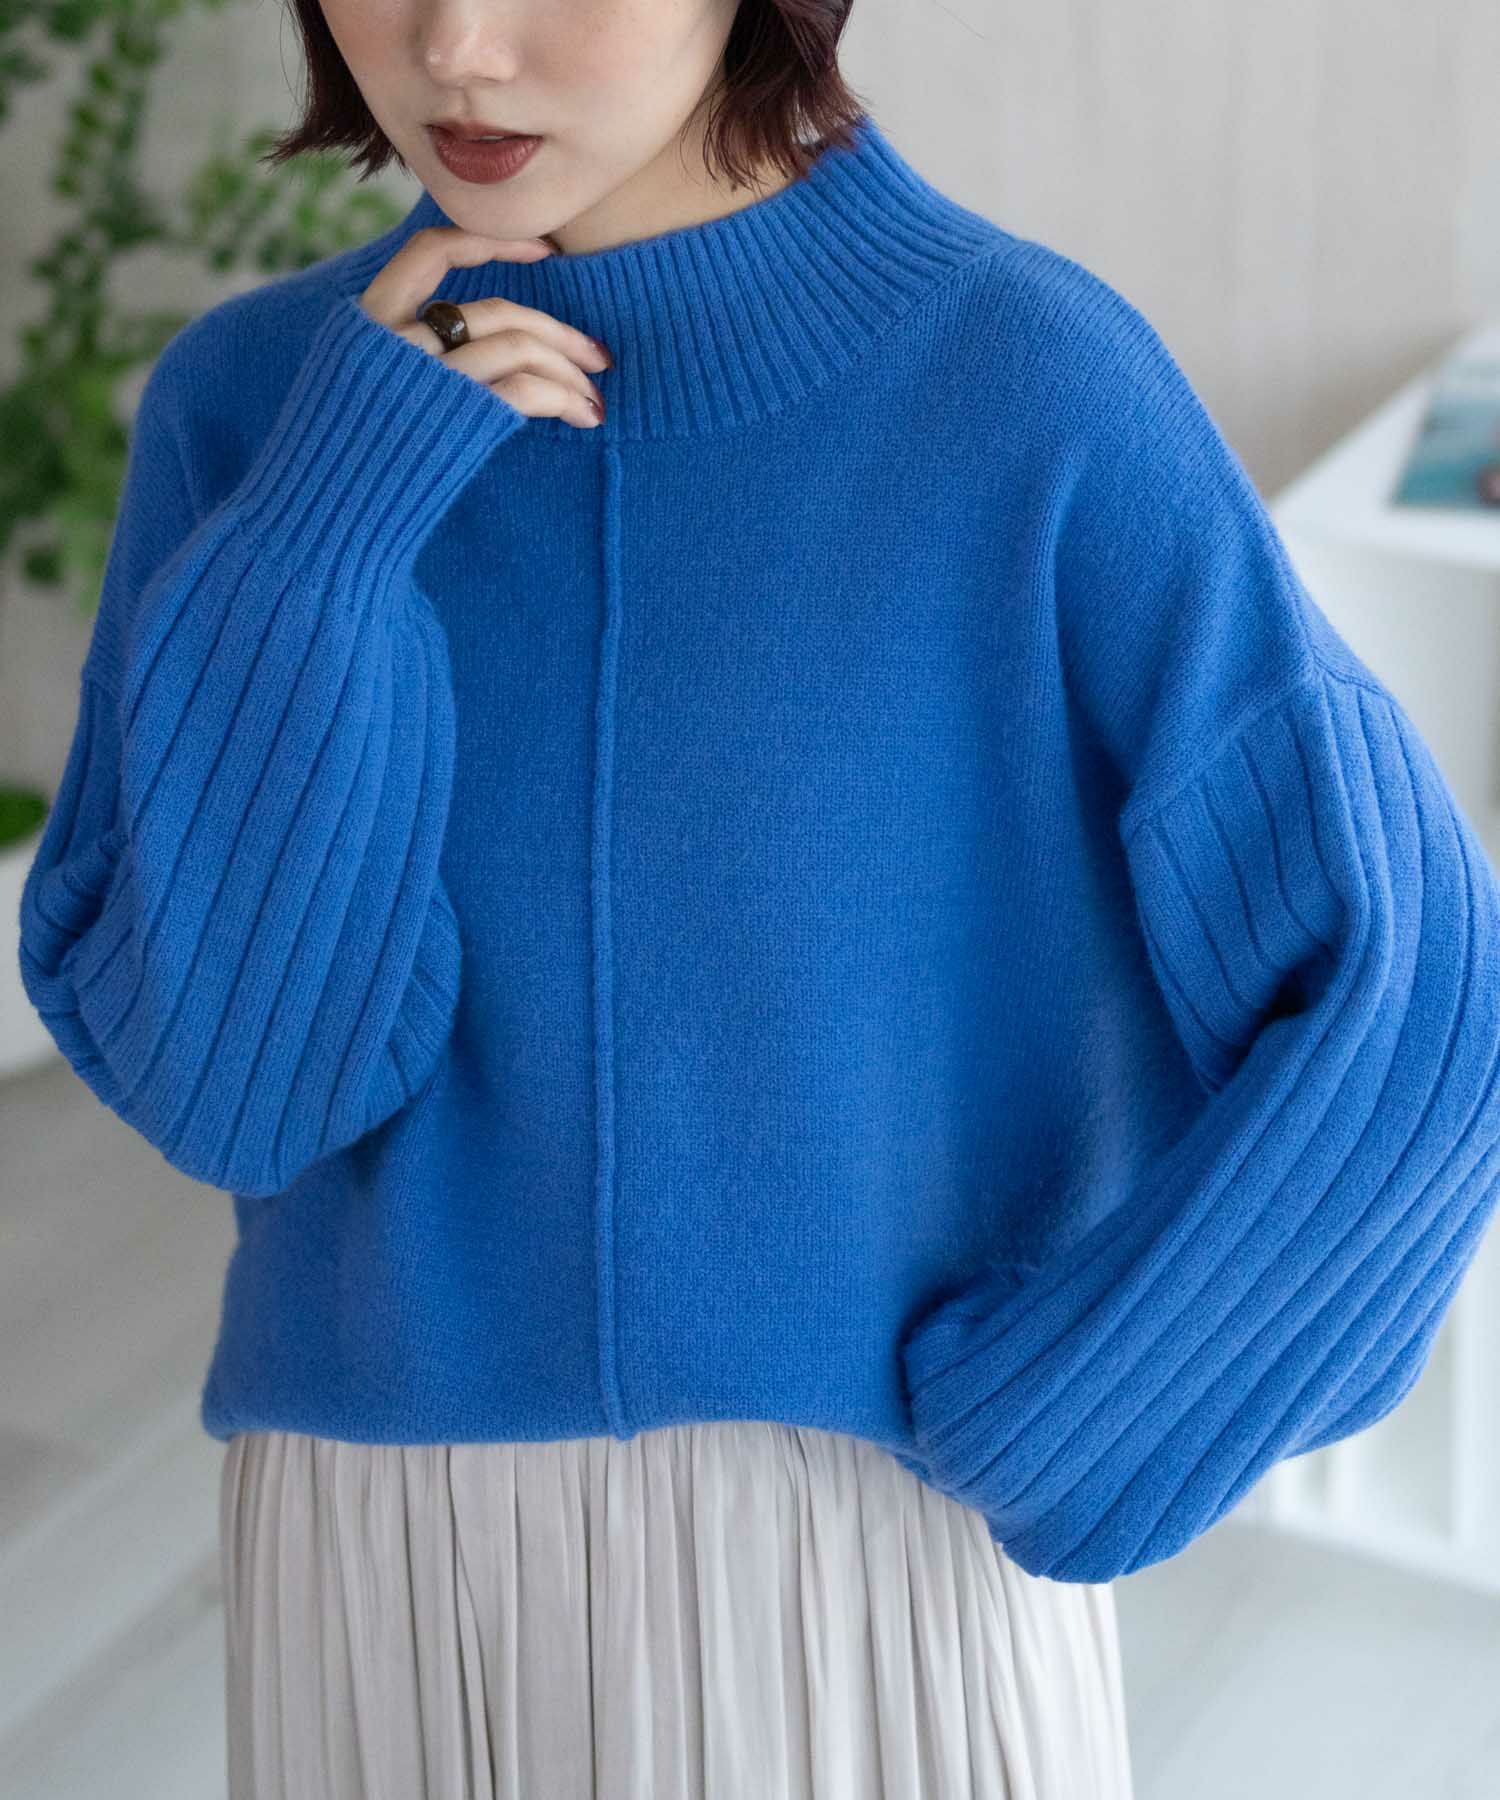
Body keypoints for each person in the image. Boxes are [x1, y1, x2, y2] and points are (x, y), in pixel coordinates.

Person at [19, 0, 1500, 1795]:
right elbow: (243, 1095)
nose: (455, 45)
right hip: (376, 1550)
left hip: (871, 1554)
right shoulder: (258, 407)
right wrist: (329, 537)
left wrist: (1089, 1414)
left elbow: (1418, 996)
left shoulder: (1028, 383)